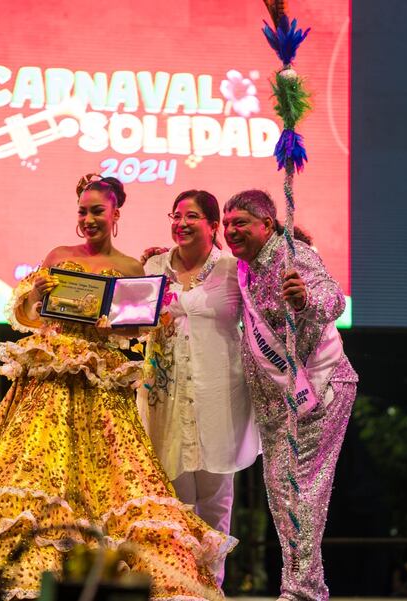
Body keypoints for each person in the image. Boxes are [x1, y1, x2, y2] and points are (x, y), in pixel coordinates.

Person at [0, 175, 233, 601]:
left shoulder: (130, 268)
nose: (88, 219)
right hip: (51, 382)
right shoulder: (58, 256)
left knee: (114, 483)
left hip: (102, 385)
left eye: (97, 211)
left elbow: (134, 330)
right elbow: (29, 314)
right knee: (36, 475)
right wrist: (37, 295)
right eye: (83, 211)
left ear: (116, 213)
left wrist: (121, 324)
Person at [221, 189, 358, 601]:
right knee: (284, 493)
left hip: (318, 388)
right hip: (277, 403)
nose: (231, 231)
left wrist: (305, 299)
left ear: (267, 224)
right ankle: (304, 586)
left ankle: (301, 590)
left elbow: (332, 299)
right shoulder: (245, 270)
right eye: (226, 224)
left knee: (301, 489)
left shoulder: (292, 255)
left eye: (240, 223)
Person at [138, 190, 260, 586]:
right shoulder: (153, 267)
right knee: (172, 503)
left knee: (215, 503)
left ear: (213, 225)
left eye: (192, 216)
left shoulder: (234, 268)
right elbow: (132, 321)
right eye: (176, 215)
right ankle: (175, 588)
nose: (182, 223)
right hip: (165, 401)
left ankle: (210, 589)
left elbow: (263, 320)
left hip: (219, 399)